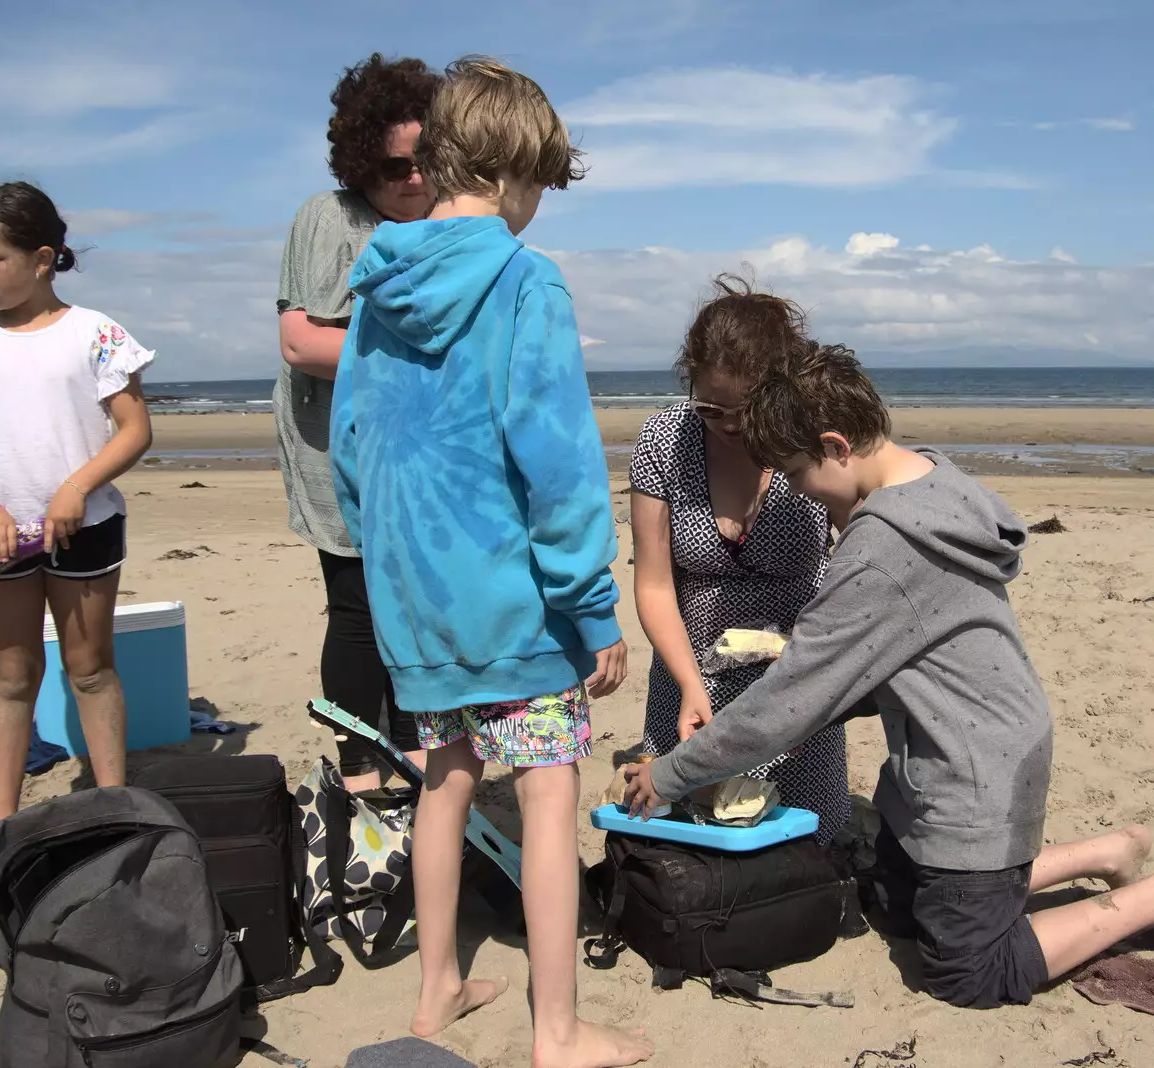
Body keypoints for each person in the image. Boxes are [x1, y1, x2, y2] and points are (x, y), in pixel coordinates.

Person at [623, 344, 1154, 1009]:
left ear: (837, 446)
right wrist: (820, 699)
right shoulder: (928, 477)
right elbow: (856, 672)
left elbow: (783, 706)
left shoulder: (880, 551)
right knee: (895, 908)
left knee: (972, 975)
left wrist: (668, 773)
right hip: (933, 757)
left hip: (975, 773)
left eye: (799, 474)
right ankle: (1107, 852)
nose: (799, 491)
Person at [331, 56, 653, 1068]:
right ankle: (554, 1032)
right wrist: (592, 606)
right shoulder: (523, 281)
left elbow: (353, 443)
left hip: (413, 595)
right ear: (518, 173)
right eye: (545, 186)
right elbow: (555, 461)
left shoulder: (379, 280)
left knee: (445, 778)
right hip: (514, 603)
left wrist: (389, 566)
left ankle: (436, 991)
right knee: (550, 790)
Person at [0, 181, 154, 824]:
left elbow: (134, 429)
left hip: (87, 529)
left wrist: (76, 487)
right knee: (12, 676)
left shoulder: (95, 333)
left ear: (43, 258)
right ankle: (3, 829)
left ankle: (115, 812)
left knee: (90, 670)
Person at [274, 54, 442, 793]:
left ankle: (412, 757)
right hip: (338, 449)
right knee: (356, 608)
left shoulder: (450, 227)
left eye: (423, 162)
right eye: (390, 165)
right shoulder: (332, 217)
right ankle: (360, 772)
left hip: (424, 455)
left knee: (417, 607)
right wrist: (433, 352)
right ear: (359, 160)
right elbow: (303, 342)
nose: (409, 179)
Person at [629, 277, 849, 842]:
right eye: (710, 409)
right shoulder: (665, 438)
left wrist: (815, 670)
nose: (728, 427)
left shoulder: (812, 438)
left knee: (805, 841)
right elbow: (653, 585)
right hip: (690, 669)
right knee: (692, 839)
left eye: (745, 411)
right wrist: (689, 685)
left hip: (797, 675)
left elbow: (859, 559)